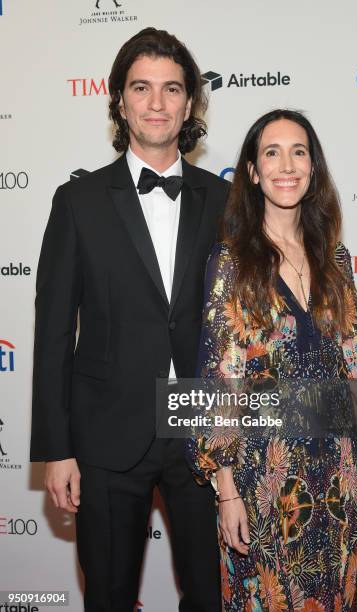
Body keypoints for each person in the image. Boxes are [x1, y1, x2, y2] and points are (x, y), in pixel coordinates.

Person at [31, 27, 229, 612]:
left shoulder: (222, 203)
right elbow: (49, 333)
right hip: (105, 433)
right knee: (109, 597)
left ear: (190, 103)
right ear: (120, 100)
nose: (157, 103)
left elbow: (238, 328)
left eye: (172, 90)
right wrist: (56, 449)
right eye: (142, 88)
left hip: (202, 431)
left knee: (212, 596)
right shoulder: (79, 202)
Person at [187, 109, 357, 611]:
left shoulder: (336, 260)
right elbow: (218, 384)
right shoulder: (231, 263)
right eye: (271, 152)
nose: (286, 164)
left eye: (299, 152)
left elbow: (355, 368)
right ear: (252, 171)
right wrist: (226, 490)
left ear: (313, 169)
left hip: (337, 480)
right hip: (264, 482)